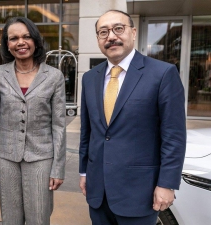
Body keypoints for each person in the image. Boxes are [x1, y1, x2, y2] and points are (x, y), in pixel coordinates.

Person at [79, 10, 186, 225]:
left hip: (139, 193)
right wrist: (84, 172)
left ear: (133, 32)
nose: (111, 36)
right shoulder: (90, 78)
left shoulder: (163, 73)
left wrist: (167, 184)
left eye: (118, 28)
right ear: (99, 39)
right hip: (98, 191)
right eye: (103, 32)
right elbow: (87, 130)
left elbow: (173, 136)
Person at [0, 17, 66, 225]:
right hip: (5, 157)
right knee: (10, 218)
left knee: (39, 217)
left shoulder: (54, 76)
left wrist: (58, 168)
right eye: (14, 38)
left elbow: (58, 126)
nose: (20, 42)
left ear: (35, 41)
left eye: (26, 36)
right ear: (7, 45)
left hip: (41, 157)